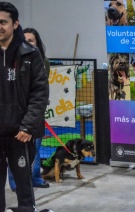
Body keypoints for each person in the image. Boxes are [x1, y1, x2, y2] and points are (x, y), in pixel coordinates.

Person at [0, 2, 49, 212]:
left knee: (24, 186)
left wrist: (28, 127)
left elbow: (40, 94)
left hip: (21, 134)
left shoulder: (30, 54)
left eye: (3, 22)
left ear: (15, 23)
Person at [8, 27, 50, 191]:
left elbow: (40, 89)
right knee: (14, 152)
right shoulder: (12, 60)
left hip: (34, 114)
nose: (27, 43)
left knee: (36, 148)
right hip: (14, 115)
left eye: (31, 40)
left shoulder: (41, 61)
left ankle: (35, 178)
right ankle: (15, 183)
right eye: (24, 40)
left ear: (37, 43)